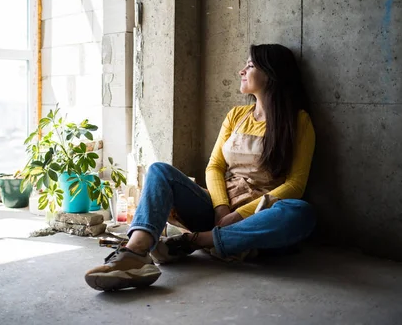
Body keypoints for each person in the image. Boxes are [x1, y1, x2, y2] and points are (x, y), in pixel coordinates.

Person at [85, 44, 316, 292]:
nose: (241, 71)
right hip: (218, 211)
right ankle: (135, 253)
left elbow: (295, 185)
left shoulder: (298, 122)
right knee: (159, 171)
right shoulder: (237, 115)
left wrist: (238, 216)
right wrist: (221, 209)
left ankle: (195, 242)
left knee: (302, 213)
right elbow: (215, 166)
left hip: (259, 218)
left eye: (250, 65)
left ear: (272, 74)